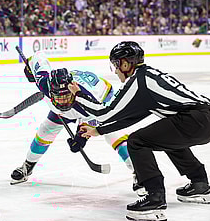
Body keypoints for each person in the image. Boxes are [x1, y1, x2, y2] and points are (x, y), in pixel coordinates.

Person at [68, 41, 210, 221]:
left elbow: (104, 112)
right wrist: (99, 130)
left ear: (125, 64)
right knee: (166, 137)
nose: (116, 71)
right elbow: (134, 116)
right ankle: (199, 184)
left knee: (136, 141)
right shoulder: (148, 76)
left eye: (116, 65)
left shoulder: (138, 82)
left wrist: (78, 95)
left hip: (196, 120)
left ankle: (154, 197)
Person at [11, 51, 146, 196]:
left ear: (72, 89)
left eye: (66, 96)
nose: (63, 101)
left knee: (113, 135)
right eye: (59, 97)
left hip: (101, 103)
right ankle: (28, 166)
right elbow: (37, 57)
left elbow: (95, 119)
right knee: (46, 130)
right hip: (75, 105)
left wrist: (81, 138)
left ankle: (140, 174)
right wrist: (29, 69)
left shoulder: (88, 97)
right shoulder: (44, 82)